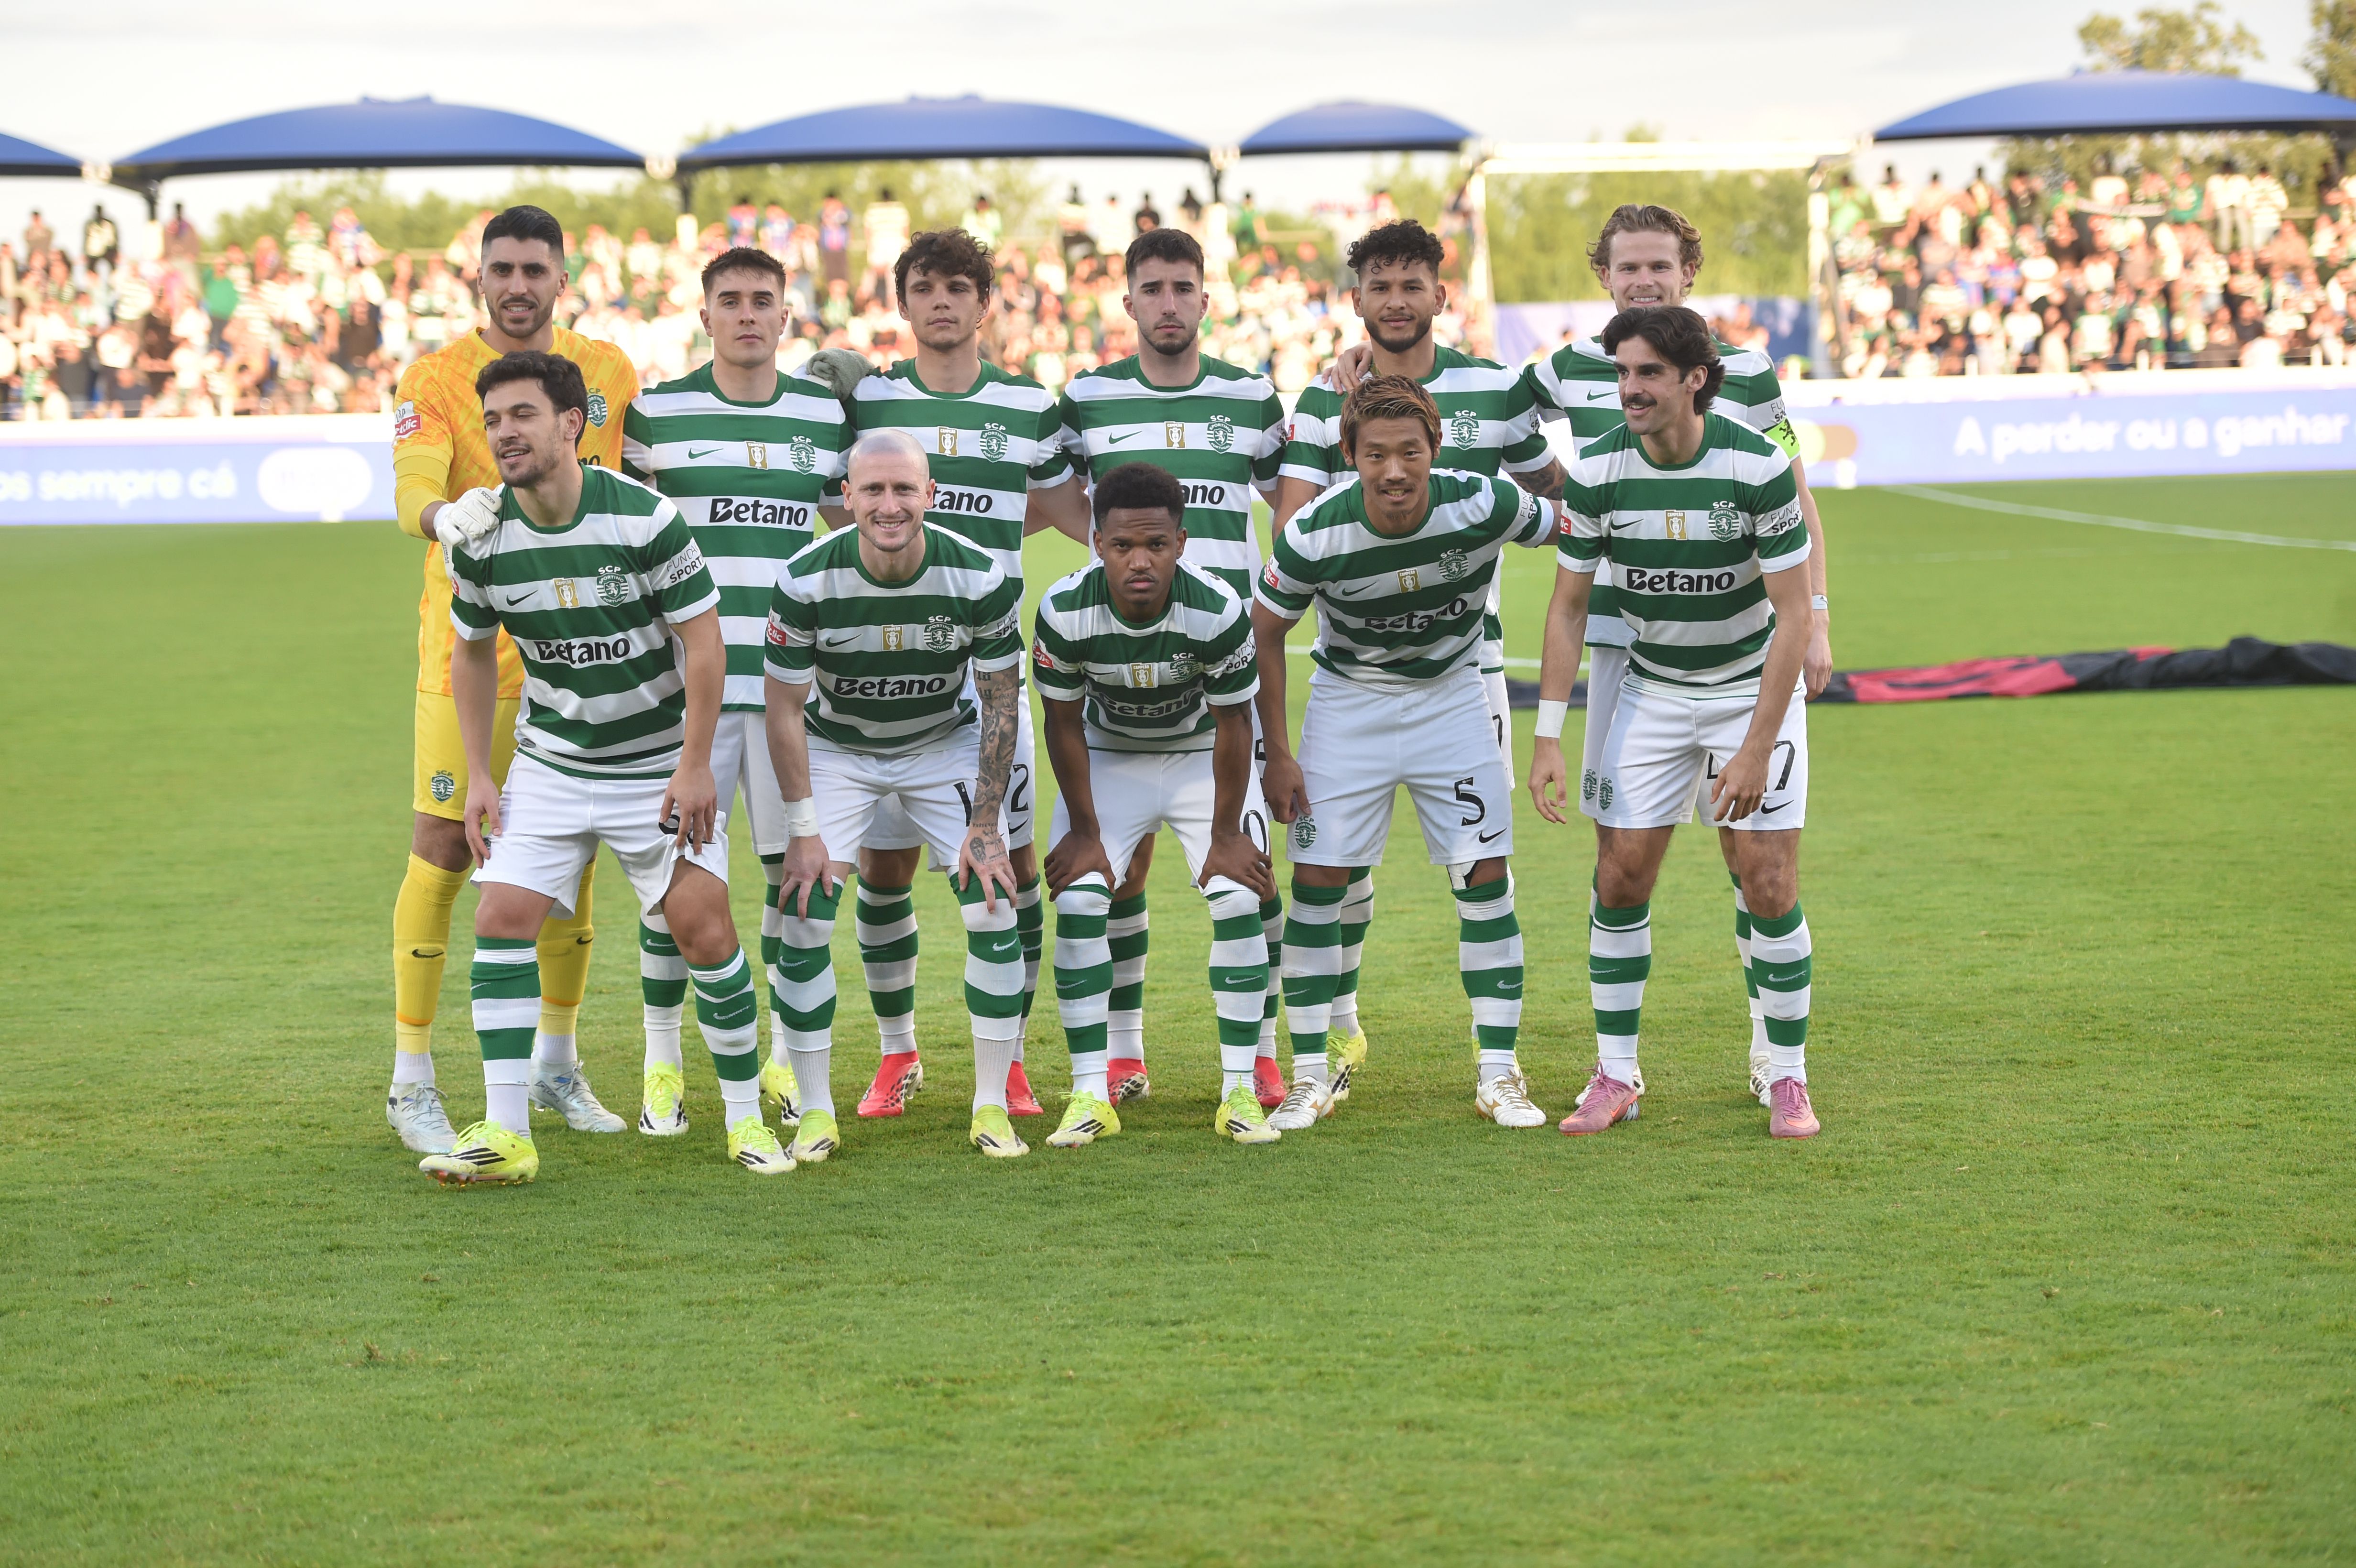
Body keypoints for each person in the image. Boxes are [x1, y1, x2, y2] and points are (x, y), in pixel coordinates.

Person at [429, 350, 792, 1183]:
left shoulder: (644, 519)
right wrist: (480, 775)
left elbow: (706, 643)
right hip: (553, 765)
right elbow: (472, 652)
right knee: (501, 918)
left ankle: (745, 1120)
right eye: (493, 421)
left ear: (572, 423)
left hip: (656, 762)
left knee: (704, 929)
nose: (505, 433)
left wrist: (695, 764)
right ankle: (506, 1134)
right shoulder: (481, 539)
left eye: (522, 415)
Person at [1521, 204, 1833, 1106]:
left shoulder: (1749, 380)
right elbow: (1483, 412)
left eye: (1659, 266)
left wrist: (1817, 613)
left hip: (1742, 650)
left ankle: (1777, 1059)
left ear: (1687, 274)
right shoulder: (1573, 373)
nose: (1644, 280)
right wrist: (1560, 491)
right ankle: (1616, 1070)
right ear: (1605, 276)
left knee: (1758, 864)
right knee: (1622, 864)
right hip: (1631, 657)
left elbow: (1795, 492)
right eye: (1629, 267)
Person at [800, 228, 1091, 1121]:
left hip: (987, 675)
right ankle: (899, 1054)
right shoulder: (869, 398)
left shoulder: (1028, 406)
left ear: (985, 304)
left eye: (959, 288)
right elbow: (835, 501)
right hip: (881, 673)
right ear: (902, 303)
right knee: (884, 872)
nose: (941, 303)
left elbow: (1065, 511)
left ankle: (1010, 1063)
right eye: (924, 287)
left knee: (1011, 867)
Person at [1279, 219, 1563, 1101]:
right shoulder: (1323, 400)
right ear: (1357, 299)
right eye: (1381, 287)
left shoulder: (1494, 387)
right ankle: (1334, 1032)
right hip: (1353, 668)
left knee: (1482, 863)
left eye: (1413, 285)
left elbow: (1553, 497)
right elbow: (1293, 528)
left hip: (1468, 667)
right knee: (1337, 870)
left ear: (1441, 294)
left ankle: (1497, 1065)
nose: (1397, 302)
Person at [386, 205, 643, 1156]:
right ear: (481, 277)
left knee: (573, 857)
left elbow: (637, 482)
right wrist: (443, 517)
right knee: (443, 849)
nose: (518, 285)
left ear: (561, 279)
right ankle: (412, 1078)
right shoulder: (434, 378)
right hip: (474, 661)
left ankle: (555, 1063)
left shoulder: (608, 372)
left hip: (585, 659)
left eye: (536, 269)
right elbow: (411, 488)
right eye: (503, 269)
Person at [1057, 225, 1291, 1106]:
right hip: (1122, 660)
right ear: (1128, 302)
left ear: (1205, 299)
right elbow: (1051, 499)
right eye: (1151, 289)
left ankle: (1261, 1050)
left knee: (1250, 869)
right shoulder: (1085, 399)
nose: (1167, 304)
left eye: (1182, 288)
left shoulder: (1251, 396)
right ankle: (1124, 1053)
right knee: (1122, 872)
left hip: (1223, 661)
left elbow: (1293, 497)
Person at [622, 246, 851, 1147]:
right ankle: (662, 1062)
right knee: (676, 883)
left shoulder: (823, 415)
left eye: (763, 300)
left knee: (799, 879)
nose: (748, 314)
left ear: (787, 316)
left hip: (795, 689)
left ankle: (785, 1060)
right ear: (706, 315)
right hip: (692, 696)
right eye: (731, 300)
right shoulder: (657, 414)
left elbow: (852, 525)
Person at [764, 428, 1032, 1159]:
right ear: (846, 497)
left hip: (941, 742)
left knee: (993, 901)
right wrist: (804, 827)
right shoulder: (805, 579)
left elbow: (1000, 702)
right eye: (874, 490)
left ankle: (990, 1106)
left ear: (930, 495)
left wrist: (985, 822)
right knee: (805, 914)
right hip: (838, 750)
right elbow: (783, 711)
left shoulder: (977, 576)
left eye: (905, 489)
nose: (890, 505)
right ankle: (816, 1112)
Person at [1033, 462, 1280, 1148]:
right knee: (1079, 900)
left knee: (1239, 894)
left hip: (1203, 757)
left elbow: (1236, 724)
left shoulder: (1218, 608)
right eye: (1121, 546)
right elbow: (1062, 724)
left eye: (1156, 545)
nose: (1139, 561)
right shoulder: (1063, 609)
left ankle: (1239, 1089)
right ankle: (1090, 1091)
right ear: (1097, 543)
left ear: (1181, 543)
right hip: (1110, 757)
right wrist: (1085, 831)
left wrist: (1226, 834)